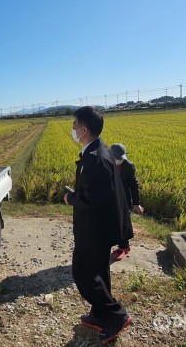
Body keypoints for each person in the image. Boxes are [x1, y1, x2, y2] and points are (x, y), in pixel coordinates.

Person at [63, 106, 133, 342]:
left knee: (82, 273)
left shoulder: (96, 158)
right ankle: (100, 314)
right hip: (97, 227)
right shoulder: (97, 151)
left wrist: (72, 198)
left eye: (74, 124)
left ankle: (117, 315)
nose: (72, 128)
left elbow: (96, 199)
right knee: (99, 272)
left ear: (83, 129)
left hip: (94, 229)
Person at [109, 143, 145, 263]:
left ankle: (123, 247)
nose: (118, 161)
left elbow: (134, 186)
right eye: (116, 158)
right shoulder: (106, 163)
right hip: (110, 197)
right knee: (110, 221)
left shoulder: (128, 166)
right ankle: (118, 245)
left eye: (120, 158)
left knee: (123, 223)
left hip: (123, 199)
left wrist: (136, 203)